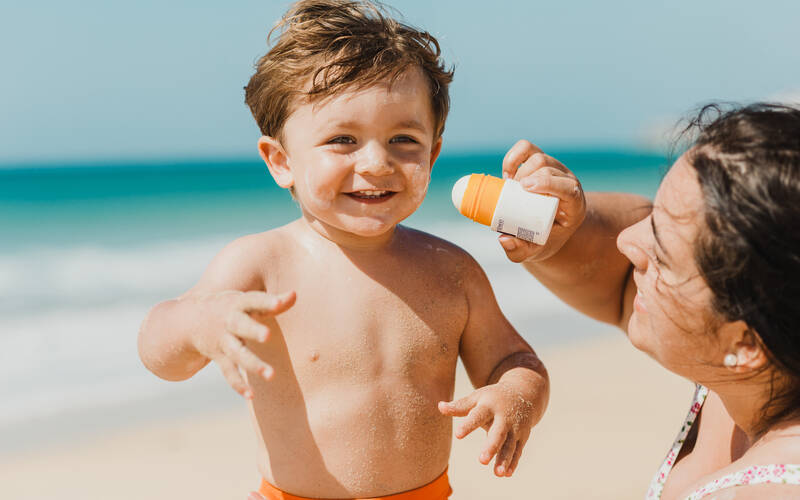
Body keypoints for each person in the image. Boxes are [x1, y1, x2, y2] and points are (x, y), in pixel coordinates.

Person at [137, 1, 550, 499]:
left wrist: (514, 394)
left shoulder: (452, 272)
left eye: (403, 139)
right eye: (342, 139)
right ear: (281, 161)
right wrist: (198, 324)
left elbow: (514, 358)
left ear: (434, 151)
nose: (376, 162)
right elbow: (160, 352)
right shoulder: (262, 265)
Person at [497, 103, 800, 499]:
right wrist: (566, 228)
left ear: (745, 345)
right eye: (655, 213)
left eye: (661, 255)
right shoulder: (758, 370)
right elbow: (621, 283)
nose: (625, 242)